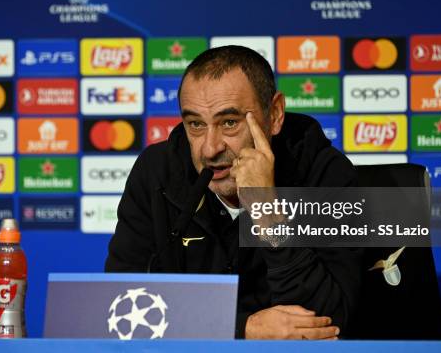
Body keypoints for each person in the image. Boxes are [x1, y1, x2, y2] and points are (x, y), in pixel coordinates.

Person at [105, 45, 362, 339]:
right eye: (196, 125)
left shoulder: (324, 173)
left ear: (275, 114)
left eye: (229, 123)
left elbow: (327, 325)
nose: (210, 148)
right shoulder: (157, 173)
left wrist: (267, 212)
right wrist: (241, 329)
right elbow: (122, 306)